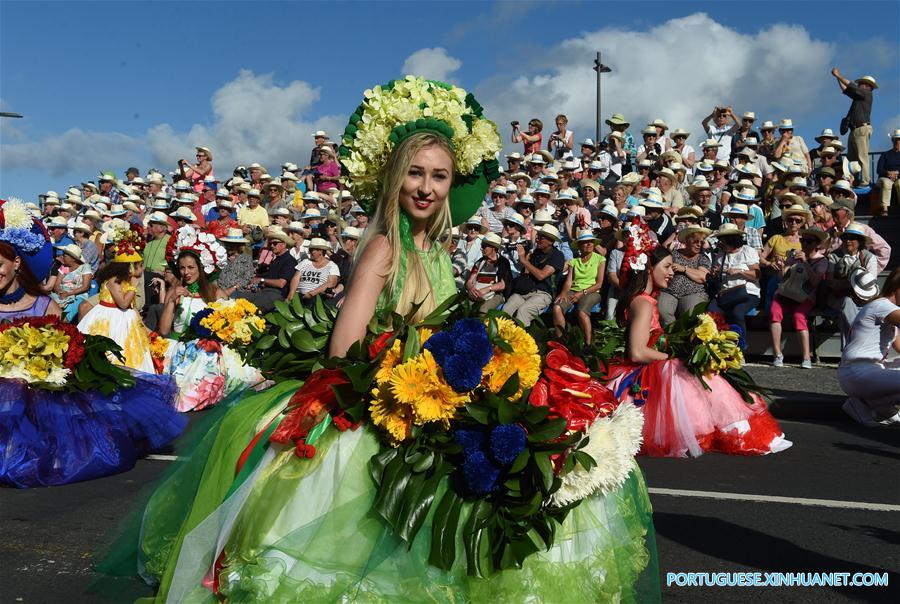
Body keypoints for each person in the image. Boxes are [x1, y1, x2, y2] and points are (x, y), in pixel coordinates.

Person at [102, 81, 657, 603]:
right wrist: (403, 383)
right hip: (391, 397)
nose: (426, 187)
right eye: (415, 173)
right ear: (395, 179)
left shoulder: (436, 251)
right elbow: (344, 350)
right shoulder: (384, 248)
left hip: (435, 390)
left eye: (439, 177)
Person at [0, 201, 185, 489]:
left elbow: (61, 361)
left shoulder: (46, 306)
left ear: (17, 263)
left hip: (34, 398)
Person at [604, 224, 790, 457]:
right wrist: (673, 356)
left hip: (650, 364)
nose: (672, 272)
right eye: (667, 267)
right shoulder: (643, 302)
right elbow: (637, 352)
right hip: (646, 370)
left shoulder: (643, 299)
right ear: (649, 268)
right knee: (705, 383)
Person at [157, 227, 261, 412]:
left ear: (202, 268)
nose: (186, 272)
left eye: (191, 268)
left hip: (206, 349)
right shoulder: (175, 291)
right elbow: (164, 331)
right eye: (182, 268)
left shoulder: (215, 293)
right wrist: (172, 301)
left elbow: (228, 324)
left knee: (207, 358)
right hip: (179, 346)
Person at [77, 229, 155, 373]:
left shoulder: (125, 281)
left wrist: (145, 329)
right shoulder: (114, 280)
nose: (141, 269)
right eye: (138, 265)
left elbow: (132, 307)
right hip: (109, 319)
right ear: (130, 267)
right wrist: (133, 286)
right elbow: (123, 303)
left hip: (127, 320)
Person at [838, 267, 900, 427]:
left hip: (869, 370)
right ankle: (864, 405)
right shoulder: (882, 306)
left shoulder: (888, 311)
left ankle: (882, 407)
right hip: (856, 372)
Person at [768, 227, 829, 368]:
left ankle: (806, 356)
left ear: (817, 244)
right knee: (774, 311)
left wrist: (806, 262)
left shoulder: (822, 261)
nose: (805, 244)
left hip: (805, 296)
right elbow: (783, 278)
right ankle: (777, 354)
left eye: (809, 241)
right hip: (787, 293)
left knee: (798, 316)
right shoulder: (794, 256)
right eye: (803, 240)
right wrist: (782, 265)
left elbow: (815, 282)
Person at [825, 222, 880, 346]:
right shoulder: (834, 256)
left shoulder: (869, 257)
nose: (848, 241)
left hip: (863, 299)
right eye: (845, 238)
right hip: (837, 297)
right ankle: (861, 336)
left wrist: (844, 283)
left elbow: (870, 283)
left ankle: (848, 349)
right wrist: (852, 284)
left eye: (852, 238)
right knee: (847, 303)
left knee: (850, 309)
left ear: (860, 241)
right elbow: (830, 281)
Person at [708, 223, 761, 346]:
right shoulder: (721, 254)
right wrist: (715, 273)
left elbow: (757, 274)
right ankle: (716, 344)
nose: (720, 242)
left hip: (747, 293)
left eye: (722, 240)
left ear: (730, 239)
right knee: (711, 312)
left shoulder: (748, 251)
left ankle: (740, 346)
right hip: (727, 293)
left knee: (737, 312)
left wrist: (740, 271)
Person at [503, 223, 566, 326]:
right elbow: (526, 271)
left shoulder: (557, 255)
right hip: (526, 290)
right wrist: (526, 257)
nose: (537, 239)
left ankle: (520, 340)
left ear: (551, 241)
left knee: (523, 311)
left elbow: (541, 275)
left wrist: (524, 260)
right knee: (506, 309)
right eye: (538, 236)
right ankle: (499, 339)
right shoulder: (536, 252)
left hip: (543, 293)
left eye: (541, 238)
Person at [553, 230, 605, 344]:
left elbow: (599, 284)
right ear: (580, 245)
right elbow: (569, 281)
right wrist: (563, 293)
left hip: (592, 291)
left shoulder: (600, 259)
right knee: (557, 308)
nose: (589, 244)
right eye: (585, 242)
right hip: (574, 290)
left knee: (581, 311)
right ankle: (560, 341)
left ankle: (588, 343)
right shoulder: (574, 261)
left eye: (591, 242)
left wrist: (582, 292)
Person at [234, 228, 297, 312]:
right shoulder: (276, 260)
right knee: (237, 299)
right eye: (271, 243)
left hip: (277, 295)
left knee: (250, 307)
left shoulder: (290, 261)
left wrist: (261, 280)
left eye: (275, 243)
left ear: (284, 245)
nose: (272, 246)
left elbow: (281, 283)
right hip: (265, 292)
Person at [832, 68, 877, 187]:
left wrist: (839, 75)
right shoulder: (859, 96)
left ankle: (865, 180)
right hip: (855, 129)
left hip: (861, 128)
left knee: (862, 156)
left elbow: (849, 84)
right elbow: (846, 88)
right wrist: (837, 78)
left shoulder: (867, 94)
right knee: (852, 159)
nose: (859, 85)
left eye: (862, 83)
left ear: (868, 86)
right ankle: (853, 180)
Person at [657, 226, 711, 325]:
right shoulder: (673, 254)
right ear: (686, 241)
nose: (699, 245)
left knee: (689, 314)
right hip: (670, 291)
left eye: (701, 242)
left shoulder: (703, 258)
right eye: (696, 241)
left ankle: (684, 337)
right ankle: (671, 335)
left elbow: (703, 277)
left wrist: (684, 269)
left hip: (694, 292)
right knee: (662, 310)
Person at [465, 232, 510, 314]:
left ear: (493, 248)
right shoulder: (480, 262)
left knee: (483, 311)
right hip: (476, 295)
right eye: (481, 246)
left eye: (484, 246)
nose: (481, 249)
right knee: (464, 308)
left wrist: (487, 289)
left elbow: (503, 284)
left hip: (495, 294)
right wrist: (471, 288)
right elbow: (469, 281)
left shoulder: (502, 262)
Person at [288, 237, 340, 305]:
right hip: (299, 295)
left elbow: (331, 283)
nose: (309, 252)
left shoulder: (332, 266)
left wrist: (312, 293)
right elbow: (296, 278)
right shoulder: (305, 262)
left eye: (312, 250)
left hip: (318, 297)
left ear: (320, 251)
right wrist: (291, 294)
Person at [48, 243, 93, 322]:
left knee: (64, 316)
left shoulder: (85, 267)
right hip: (62, 294)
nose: (62, 257)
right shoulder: (64, 267)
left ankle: (62, 325)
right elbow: (57, 284)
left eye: (65, 255)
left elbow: (85, 286)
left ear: (73, 258)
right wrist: (60, 292)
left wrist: (69, 294)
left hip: (78, 295)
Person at [873, 129, 900, 215]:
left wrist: (897, 173)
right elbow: (879, 170)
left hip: (898, 177)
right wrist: (888, 173)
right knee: (886, 183)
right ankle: (884, 210)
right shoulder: (885, 155)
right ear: (892, 140)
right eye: (895, 139)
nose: (897, 141)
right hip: (885, 177)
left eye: (899, 139)